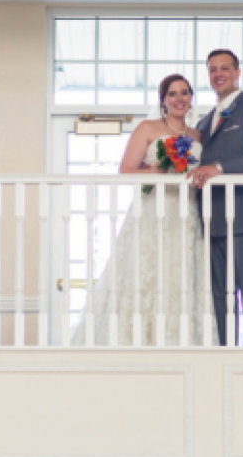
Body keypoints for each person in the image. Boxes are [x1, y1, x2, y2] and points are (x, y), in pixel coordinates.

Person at [71, 74, 209, 346]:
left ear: (191, 98)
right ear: (163, 100)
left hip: (187, 210)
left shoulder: (198, 135)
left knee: (181, 273)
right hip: (153, 210)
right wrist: (158, 169)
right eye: (172, 94)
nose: (179, 99)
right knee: (145, 269)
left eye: (184, 93)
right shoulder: (148, 128)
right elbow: (125, 170)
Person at [189, 49, 243, 346]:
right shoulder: (204, 122)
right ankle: (225, 353)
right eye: (213, 70)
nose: (218, 74)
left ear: (237, 72)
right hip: (211, 219)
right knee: (219, 295)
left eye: (224, 68)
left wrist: (219, 168)